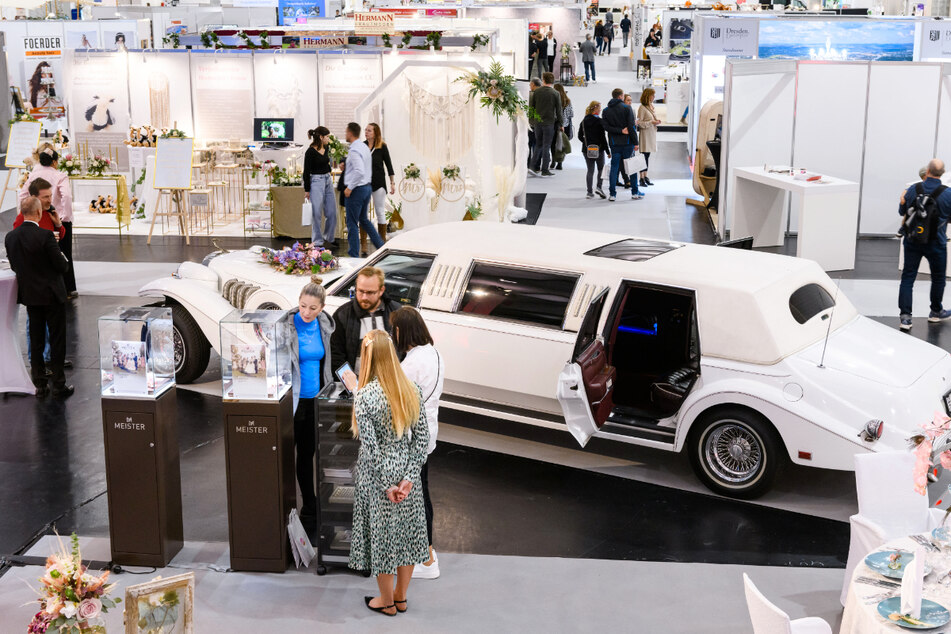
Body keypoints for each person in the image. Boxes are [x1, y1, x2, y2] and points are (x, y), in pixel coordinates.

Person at [348, 329, 430, 617]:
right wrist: (407, 480)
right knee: (407, 537)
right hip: (408, 470)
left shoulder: (364, 396)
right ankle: (401, 597)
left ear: (368, 357)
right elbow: (422, 441)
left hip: (378, 476)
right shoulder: (412, 390)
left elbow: (371, 449)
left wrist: (386, 485)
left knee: (382, 540)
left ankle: (385, 601)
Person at [390, 307, 445, 580]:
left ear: (402, 331)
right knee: (421, 492)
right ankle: (426, 554)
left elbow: (395, 400)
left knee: (416, 496)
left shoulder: (412, 363)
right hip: (427, 435)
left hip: (412, 440)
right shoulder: (433, 353)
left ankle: (425, 559)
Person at [4, 197, 71, 399]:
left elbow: (15, 265)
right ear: (38, 213)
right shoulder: (45, 236)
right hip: (52, 295)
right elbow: (61, 266)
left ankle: (40, 384)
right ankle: (59, 384)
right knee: (57, 340)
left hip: (31, 296)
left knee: (36, 340)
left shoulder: (10, 237)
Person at [290, 281, 335, 533]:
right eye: (303, 306)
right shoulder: (287, 326)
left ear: (322, 308)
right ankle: (287, 506)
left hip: (315, 400)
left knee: (307, 454)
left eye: (312, 308)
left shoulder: (324, 326)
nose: (306, 312)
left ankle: (309, 505)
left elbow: (327, 360)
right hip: (292, 401)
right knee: (288, 452)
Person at [898, 159, 951, 331]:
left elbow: (902, 212)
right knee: (938, 278)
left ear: (927, 170)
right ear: (942, 173)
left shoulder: (914, 189)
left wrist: (902, 202)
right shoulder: (948, 193)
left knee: (908, 278)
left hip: (913, 240)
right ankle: (935, 312)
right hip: (937, 243)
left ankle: (906, 318)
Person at [19, 146, 74, 297]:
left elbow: (22, 194)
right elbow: (67, 197)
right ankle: (68, 288)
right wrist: (66, 216)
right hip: (56, 216)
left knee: (42, 251)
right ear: (55, 162)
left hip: (36, 216)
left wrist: (24, 213)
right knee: (63, 252)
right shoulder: (60, 175)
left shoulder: (33, 175)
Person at [330, 266, 402, 372]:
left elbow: (404, 349)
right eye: (360, 291)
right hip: (355, 383)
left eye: (369, 293)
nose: (364, 297)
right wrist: (350, 383)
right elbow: (336, 354)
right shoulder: (342, 315)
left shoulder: (396, 312)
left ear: (381, 290)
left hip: (388, 381)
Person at [342, 122, 383, 259]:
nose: (345, 134)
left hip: (357, 190)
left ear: (350, 133)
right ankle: (381, 247)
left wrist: (349, 187)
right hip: (366, 187)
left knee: (352, 223)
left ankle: (353, 256)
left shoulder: (354, 150)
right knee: (364, 220)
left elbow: (359, 171)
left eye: (346, 132)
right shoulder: (364, 147)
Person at [602, 87, 643, 202]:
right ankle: (634, 192)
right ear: (621, 96)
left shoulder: (606, 110)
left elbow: (605, 127)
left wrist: (618, 131)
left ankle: (612, 194)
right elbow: (631, 126)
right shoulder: (627, 108)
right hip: (628, 143)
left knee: (614, 168)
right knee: (632, 167)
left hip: (614, 143)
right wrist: (636, 142)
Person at [303, 126, 337, 249]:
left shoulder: (326, 147)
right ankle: (317, 241)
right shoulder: (310, 152)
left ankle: (329, 237)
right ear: (321, 137)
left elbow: (326, 163)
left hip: (327, 180)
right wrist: (307, 190)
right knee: (316, 213)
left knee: (332, 212)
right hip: (316, 182)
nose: (328, 138)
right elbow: (306, 172)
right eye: (327, 136)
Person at [528, 72, 563, 178]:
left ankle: (532, 167)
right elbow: (559, 110)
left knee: (538, 144)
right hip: (549, 123)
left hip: (538, 123)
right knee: (546, 146)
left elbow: (531, 108)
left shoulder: (536, 92)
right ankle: (545, 169)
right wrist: (561, 124)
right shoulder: (555, 93)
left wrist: (531, 120)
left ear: (543, 80)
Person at [365, 123, 396, 244]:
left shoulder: (382, 146)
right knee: (364, 213)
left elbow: (389, 165)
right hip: (365, 184)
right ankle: (363, 244)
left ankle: (381, 242)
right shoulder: (362, 145)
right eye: (365, 130)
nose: (366, 132)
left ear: (375, 133)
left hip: (379, 183)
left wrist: (392, 182)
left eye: (369, 131)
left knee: (380, 211)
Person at [578, 100, 610, 199]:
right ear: (596, 109)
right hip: (599, 149)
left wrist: (586, 144)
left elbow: (580, 136)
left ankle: (589, 192)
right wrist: (607, 151)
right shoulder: (599, 121)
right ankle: (599, 187)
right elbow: (603, 138)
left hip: (587, 149)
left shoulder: (584, 121)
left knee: (590, 170)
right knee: (601, 169)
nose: (600, 110)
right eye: (599, 108)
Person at [636, 88, 661, 187]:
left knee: (648, 156)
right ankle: (641, 178)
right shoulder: (642, 108)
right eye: (653, 95)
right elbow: (639, 123)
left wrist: (656, 121)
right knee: (644, 157)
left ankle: (645, 176)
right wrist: (651, 122)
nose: (654, 97)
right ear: (648, 96)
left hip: (651, 134)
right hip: (645, 135)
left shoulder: (651, 106)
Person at [550, 84, 573, 171]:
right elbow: (571, 114)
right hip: (565, 126)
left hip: (555, 124)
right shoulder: (567, 100)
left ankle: (553, 161)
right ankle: (560, 163)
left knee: (553, 143)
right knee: (561, 144)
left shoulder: (553, 100)